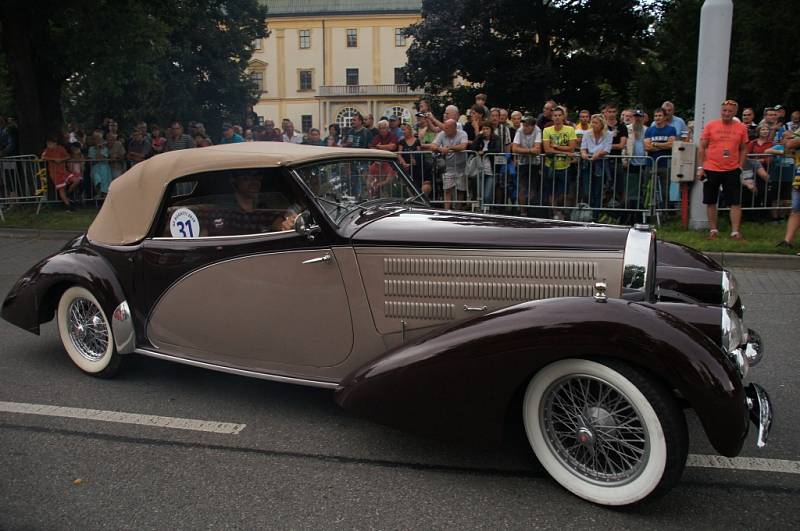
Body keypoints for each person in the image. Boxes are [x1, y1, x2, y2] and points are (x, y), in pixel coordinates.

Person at [696, 99, 750, 240]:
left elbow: (744, 148)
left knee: (735, 201)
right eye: (724, 110)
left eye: (730, 111)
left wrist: (740, 166)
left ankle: (735, 232)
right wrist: (700, 167)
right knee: (711, 200)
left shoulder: (741, 128)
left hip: (732, 168)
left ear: (735, 113)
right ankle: (713, 230)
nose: (727, 113)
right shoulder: (711, 126)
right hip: (711, 167)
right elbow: (702, 147)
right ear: (721, 111)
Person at [541, 106, 577, 218]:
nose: (557, 118)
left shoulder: (570, 129)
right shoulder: (547, 130)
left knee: (563, 192)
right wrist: (565, 152)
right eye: (555, 116)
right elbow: (547, 149)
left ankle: (557, 208)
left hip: (565, 166)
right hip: (550, 165)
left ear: (563, 117)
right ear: (552, 117)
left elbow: (572, 148)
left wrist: (556, 146)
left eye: (559, 115)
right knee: (550, 191)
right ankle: (554, 212)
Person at [426, 119, 469, 209]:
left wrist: (449, 148)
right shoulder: (442, 134)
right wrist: (440, 149)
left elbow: (463, 146)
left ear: (454, 128)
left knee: (460, 189)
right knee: (447, 189)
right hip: (448, 167)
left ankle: (458, 210)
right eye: (444, 127)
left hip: (461, 166)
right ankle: (446, 209)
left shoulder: (462, 133)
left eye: (447, 128)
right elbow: (432, 146)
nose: (445, 129)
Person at [644, 108, 677, 210]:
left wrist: (655, 144)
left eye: (660, 116)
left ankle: (664, 211)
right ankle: (647, 210)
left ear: (665, 117)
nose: (657, 118)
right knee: (648, 188)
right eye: (656, 116)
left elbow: (672, 145)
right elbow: (647, 147)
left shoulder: (671, 129)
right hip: (651, 163)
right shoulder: (649, 130)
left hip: (664, 164)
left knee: (665, 190)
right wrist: (663, 145)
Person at [580, 114, 613, 210]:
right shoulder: (587, 133)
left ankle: (596, 214)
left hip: (600, 163)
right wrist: (584, 154)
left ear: (602, 124)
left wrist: (598, 154)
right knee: (586, 190)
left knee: (598, 190)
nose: (593, 125)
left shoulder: (608, 134)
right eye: (592, 122)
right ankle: (587, 211)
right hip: (588, 162)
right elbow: (583, 148)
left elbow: (607, 150)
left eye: (596, 123)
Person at [511, 116, 542, 216]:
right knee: (522, 187)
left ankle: (531, 209)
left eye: (527, 126)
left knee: (533, 188)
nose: (524, 127)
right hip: (522, 163)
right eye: (524, 125)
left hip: (535, 163)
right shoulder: (519, 131)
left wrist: (522, 149)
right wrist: (529, 150)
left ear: (533, 126)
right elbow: (514, 148)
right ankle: (522, 211)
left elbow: (537, 149)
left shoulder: (538, 131)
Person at [776, 128, 800, 249]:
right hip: (798, 180)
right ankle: (787, 241)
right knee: (796, 210)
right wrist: (789, 139)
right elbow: (788, 146)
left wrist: (792, 139)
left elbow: (791, 142)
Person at [471, 121, 502, 207]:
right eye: (483, 129)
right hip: (479, 170)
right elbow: (472, 147)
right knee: (479, 194)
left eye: (487, 129)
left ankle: (488, 210)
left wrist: (485, 152)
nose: (485, 131)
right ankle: (481, 210)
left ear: (491, 130)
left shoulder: (496, 138)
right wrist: (478, 136)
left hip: (491, 170)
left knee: (487, 195)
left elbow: (497, 149)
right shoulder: (480, 138)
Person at [41, 137, 78, 210]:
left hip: (64, 171)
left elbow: (68, 156)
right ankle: (68, 205)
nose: (49, 145)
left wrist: (61, 159)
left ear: (55, 144)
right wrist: (53, 159)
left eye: (50, 144)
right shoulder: (46, 150)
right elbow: (42, 157)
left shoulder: (61, 148)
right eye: (48, 144)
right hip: (55, 173)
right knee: (61, 189)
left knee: (76, 180)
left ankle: (69, 193)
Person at [88, 132, 113, 197]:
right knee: (97, 179)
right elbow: (94, 160)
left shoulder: (105, 149)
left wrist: (99, 149)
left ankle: (105, 199)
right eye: (96, 139)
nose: (98, 141)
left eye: (99, 139)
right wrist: (98, 150)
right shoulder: (91, 149)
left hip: (105, 168)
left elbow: (99, 158)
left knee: (105, 184)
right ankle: (98, 194)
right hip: (95, 168)